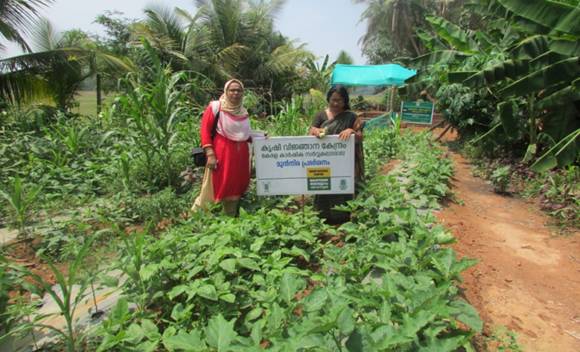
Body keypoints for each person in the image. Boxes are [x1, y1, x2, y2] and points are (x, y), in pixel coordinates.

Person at [192, 79, 251, 216]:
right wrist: (210, 154)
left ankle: (229, 219)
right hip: (221, 155)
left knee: (234, 185)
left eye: (239, 90)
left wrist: (260, 137)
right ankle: (198, 217)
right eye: (232, 90)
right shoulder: (215, 107)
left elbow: (243, 134)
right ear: (226, 91)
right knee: (214, 185)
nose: (235, 93)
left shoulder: (243, 111)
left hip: (239, 157)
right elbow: (205, 131)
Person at [309, 85, 364, 224]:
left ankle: (342, 219)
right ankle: (321, 218)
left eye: (339, 100)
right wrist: (315, 131)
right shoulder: (321, 115)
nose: (335, 103)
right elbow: (311, 131)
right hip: (323, 161)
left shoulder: (351, 117)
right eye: (333, 100)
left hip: (343, 162)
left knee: (341, 186)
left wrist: (351, 131)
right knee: (323, 185)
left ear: (345, 101)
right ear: (328, 99)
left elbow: (360, 137)